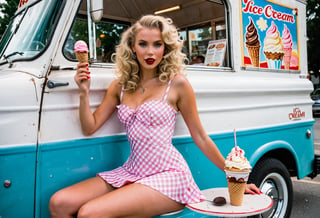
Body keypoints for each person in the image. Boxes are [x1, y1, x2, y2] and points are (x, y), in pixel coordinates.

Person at [49, 15, 260, 218]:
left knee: (89, 213)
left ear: (165, 48)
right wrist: (83, 92)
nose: (150, 52)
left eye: (157, 44)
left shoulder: (177, 84)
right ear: (132, 47)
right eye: (143, 44)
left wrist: (235, 177)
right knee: (59, 203)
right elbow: (90, 127)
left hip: (169, 176)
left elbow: (200, 137)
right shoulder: (120, 86)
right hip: (132, 170)